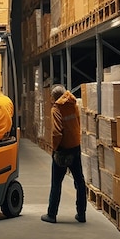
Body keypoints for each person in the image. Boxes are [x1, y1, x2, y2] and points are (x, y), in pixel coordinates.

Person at [41, 84, 87, 224]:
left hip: (63, 150)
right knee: (79, 181)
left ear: (55, 97)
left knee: (56, 183)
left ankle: (52, 214)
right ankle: (81, 214)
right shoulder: (73, 104)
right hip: (75, 147)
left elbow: (56, 132)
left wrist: (55, 149)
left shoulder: (56, 109)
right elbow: (78, 122)